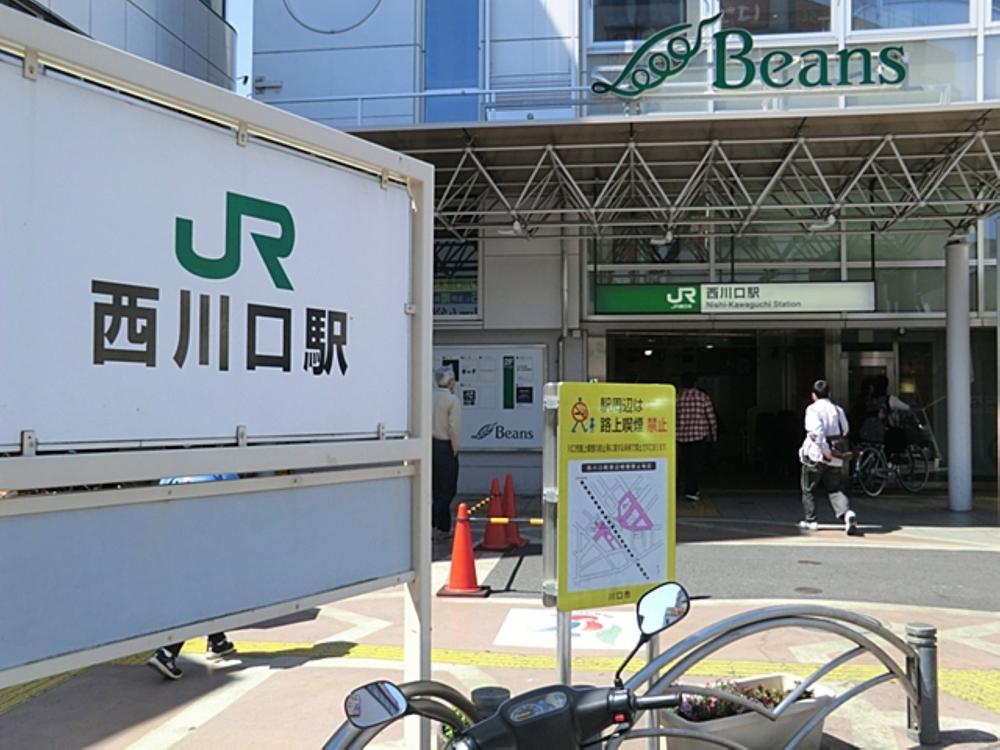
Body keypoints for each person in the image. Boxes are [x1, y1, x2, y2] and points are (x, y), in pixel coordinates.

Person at [146, 474, 239, 680]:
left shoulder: (174, 469)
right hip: (205, 536)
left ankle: (218, 640)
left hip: (177, 536)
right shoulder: (220, 466)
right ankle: (167, 652)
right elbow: (235, 493)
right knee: (200, 594)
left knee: (202, 589)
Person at [798, 380, 859, 535]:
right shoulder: (838, 410)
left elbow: (816, 433)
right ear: (829, 393)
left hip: (816, 455)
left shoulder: (812, 410)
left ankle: (811, 520)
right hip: (837, 456)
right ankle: (847, 514)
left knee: (809, 488)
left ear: (813, 395)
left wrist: (826, 451)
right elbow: (845, 429)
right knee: (835, 488)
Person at [676, 372, 717, 503]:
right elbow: (711, 417)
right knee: (696, 464)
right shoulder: (703, 397)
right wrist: (713, 434)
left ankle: (686, 488)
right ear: (695, 383)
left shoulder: (677, 397)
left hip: (681, 436)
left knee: (685, 464)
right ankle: (692, 490)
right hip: (699, 436)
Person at [432, 366, 462, 541]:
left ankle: (431, 524)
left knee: (433, 487)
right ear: (450, 382)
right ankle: (442, 527)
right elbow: (454, 428)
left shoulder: (427, 398)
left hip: (428, 446)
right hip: (445, 447)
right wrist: (455, 448)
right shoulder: (452, 401)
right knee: (447, 489)